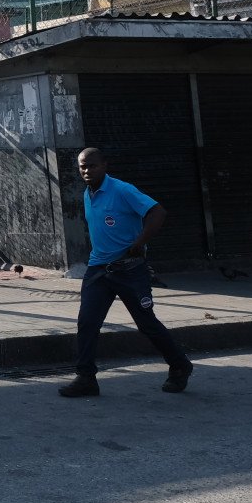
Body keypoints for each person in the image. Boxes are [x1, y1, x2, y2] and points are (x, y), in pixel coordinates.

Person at [60, 146, 193, 398]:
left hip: (129, 269)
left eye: (92, 166)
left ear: (105, 165)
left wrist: (139, 243)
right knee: (87, 322)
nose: (87, 171)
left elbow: (158, 212)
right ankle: (86, 378)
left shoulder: (122, 190)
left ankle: (180, 366)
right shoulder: (88, 193)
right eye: (82, 167)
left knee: (146, 324)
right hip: (98, 270)